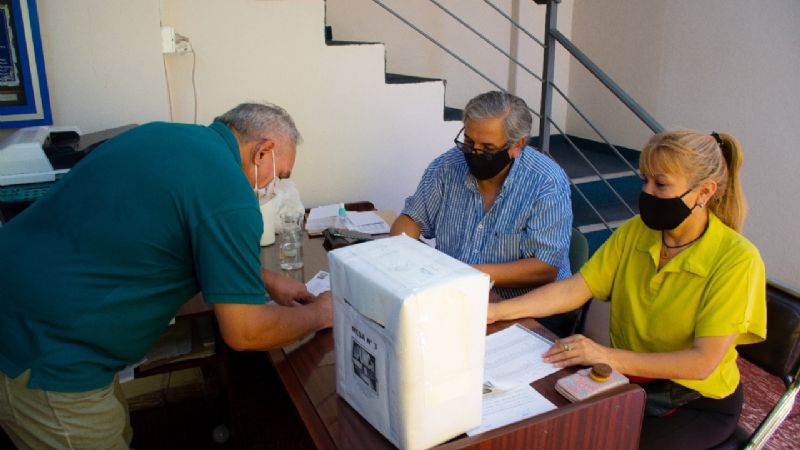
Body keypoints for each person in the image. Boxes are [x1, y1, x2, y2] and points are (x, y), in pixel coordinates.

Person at [0, 102, 332, 449]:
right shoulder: (229, 191)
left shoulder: (164, 135)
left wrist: (268, 279)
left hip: (27, 305)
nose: (274, 188)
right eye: (279, 176)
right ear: (264, 151)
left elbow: (170, 231)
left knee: (118, 429)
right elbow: (245, 331)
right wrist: (319, 313)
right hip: (43, 350)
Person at [487, 129, 766, 449]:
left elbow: (701, 363)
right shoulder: (637, 232)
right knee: (553, 429)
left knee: (602, 441)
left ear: (704, 192)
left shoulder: (738, 260)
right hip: (629, 381)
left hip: (695, 400)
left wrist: (605, 355)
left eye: (660, 184)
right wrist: (496, 311)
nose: (646, 192)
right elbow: (576, 289)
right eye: (644, 180)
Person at [390, 91, 575, 336]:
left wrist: (464, 274)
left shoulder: (546, 181)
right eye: (468, 143)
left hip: (526, 309)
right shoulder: (448, 166)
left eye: (487, 148)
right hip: (454, 295)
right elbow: (411, 219)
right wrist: (400, 257)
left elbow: (544, 267)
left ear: (517, 145)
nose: (474, 153)